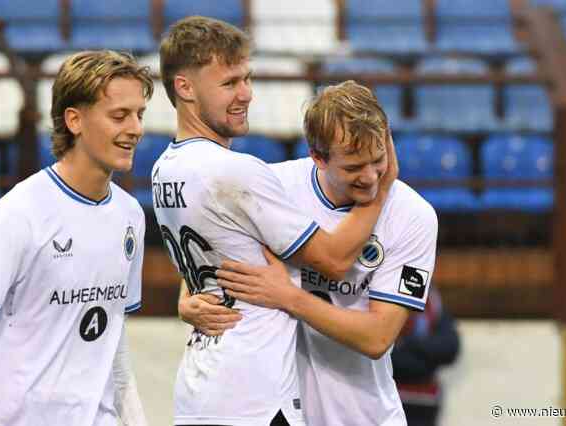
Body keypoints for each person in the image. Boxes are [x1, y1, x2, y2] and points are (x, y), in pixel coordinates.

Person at [154, 17, 397, 426]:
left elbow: (216, 249)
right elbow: (335, 260)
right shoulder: (236, 172)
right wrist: (383, 188)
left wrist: (186, 299)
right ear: (185, 88)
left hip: (202, 388)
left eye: (247, 78)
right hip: (254, 397)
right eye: (230, 83)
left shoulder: (165, 169)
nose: (246, 94)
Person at [181, 80, 439, 426]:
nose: (371, 178)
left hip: (365, 416)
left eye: (378, 160)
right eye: (352, 168)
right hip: (275, 413)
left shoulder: (413, 216)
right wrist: (186, 297)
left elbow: (378, 337)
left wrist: (289, 297)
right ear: (316, 156)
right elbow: (210, 246)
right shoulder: (273, 186)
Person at [0, 50, 152, 426]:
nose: (136, 129)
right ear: (74, 120)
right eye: (119, 115)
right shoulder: (18, 214)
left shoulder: (131, 216)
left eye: (139, 115)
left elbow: (114, 346)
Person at [393, 288, 460, 426]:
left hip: (425, 402)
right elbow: (379, 351)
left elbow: (449, 348)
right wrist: (425, 352)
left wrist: (407, 342)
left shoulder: (433, 302)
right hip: (390, 398)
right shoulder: (385, 294)